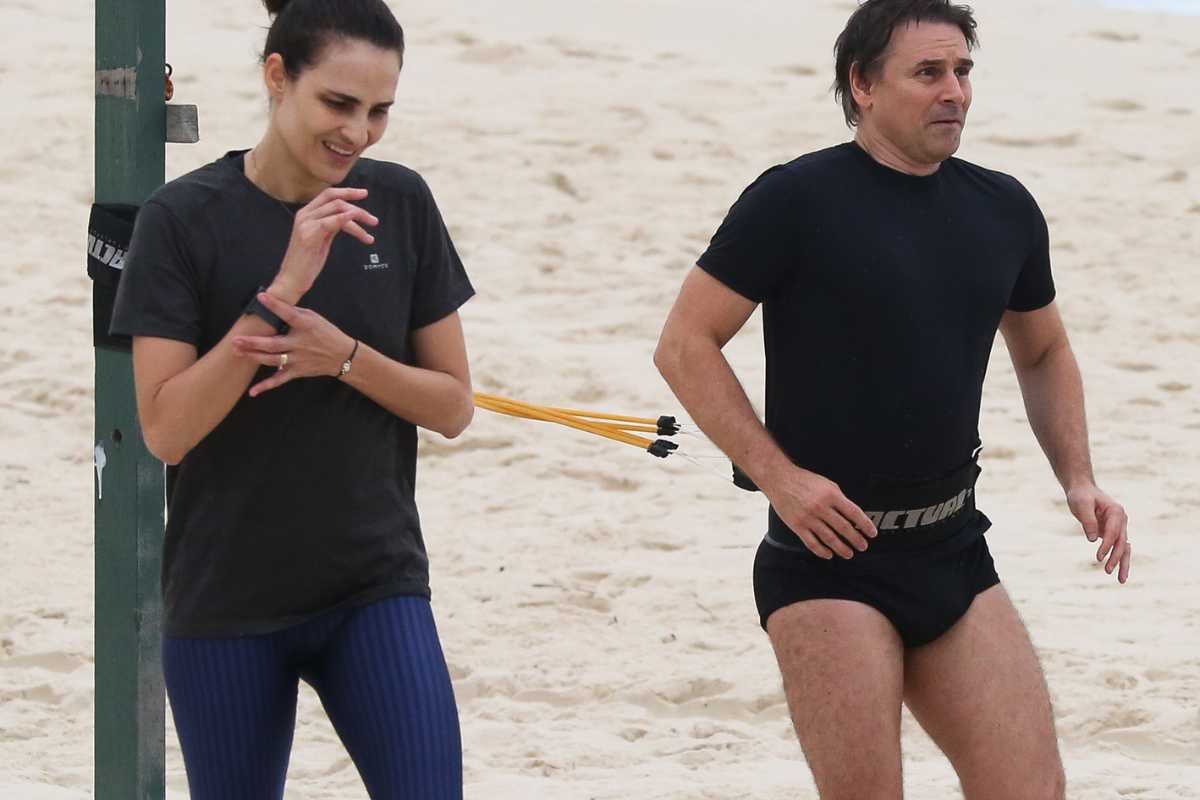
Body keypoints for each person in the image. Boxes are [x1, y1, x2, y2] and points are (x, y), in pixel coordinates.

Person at [653, 1, 1131, 797]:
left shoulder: (1003, 207)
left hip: (953, 548)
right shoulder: (794, 199)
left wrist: (1078, 478)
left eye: (963, 71)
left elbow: (1043, 349)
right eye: (928, 73)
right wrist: (780, 478)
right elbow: (684, 343)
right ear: (864, 85)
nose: (954, 91)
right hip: (826, 561)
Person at [109, 1, 473, 797]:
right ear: (278, 77)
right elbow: (166, 430)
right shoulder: (181, 220)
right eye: (338, 103)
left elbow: (452, 406)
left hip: (372, 587)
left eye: (378, 111)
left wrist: (344, 358)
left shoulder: (400, 202)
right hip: (225, 603)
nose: (358, 132)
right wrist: (280, 293)